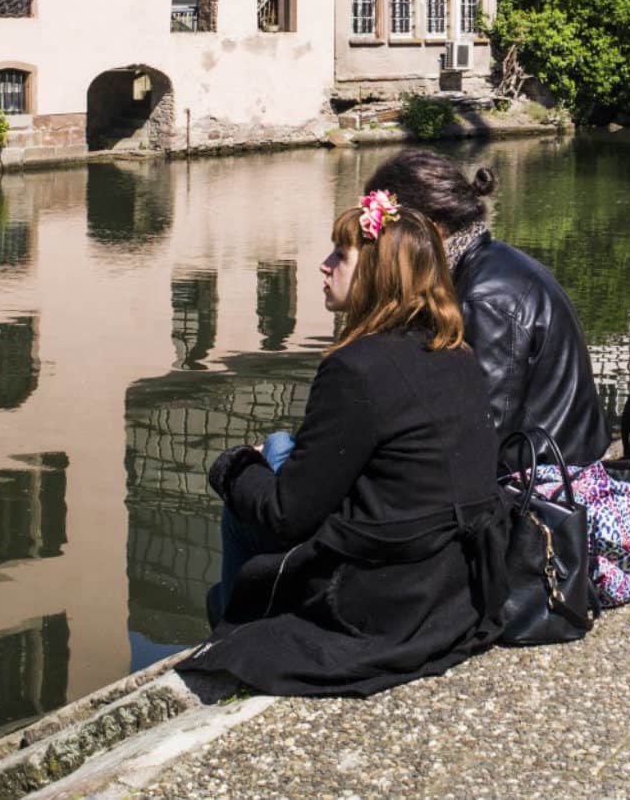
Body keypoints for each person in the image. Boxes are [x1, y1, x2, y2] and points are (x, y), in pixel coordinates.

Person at [193, 190, 509, 696]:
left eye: (340, 256)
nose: (323, 266)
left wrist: (231, 467)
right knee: (280, 447)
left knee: (244, 503)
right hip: (453, 585)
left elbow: (285, 515)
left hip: (383, 600)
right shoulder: (455, 351)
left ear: (377, 274)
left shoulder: (355, 368)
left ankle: (236, 628)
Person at [363, 150, 607, 467]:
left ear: (431, 231)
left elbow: (484, 431)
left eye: (384, 239)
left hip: (539, 481)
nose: (377, 254)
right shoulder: (483, 266)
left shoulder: (485, 299)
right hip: (545, 461)